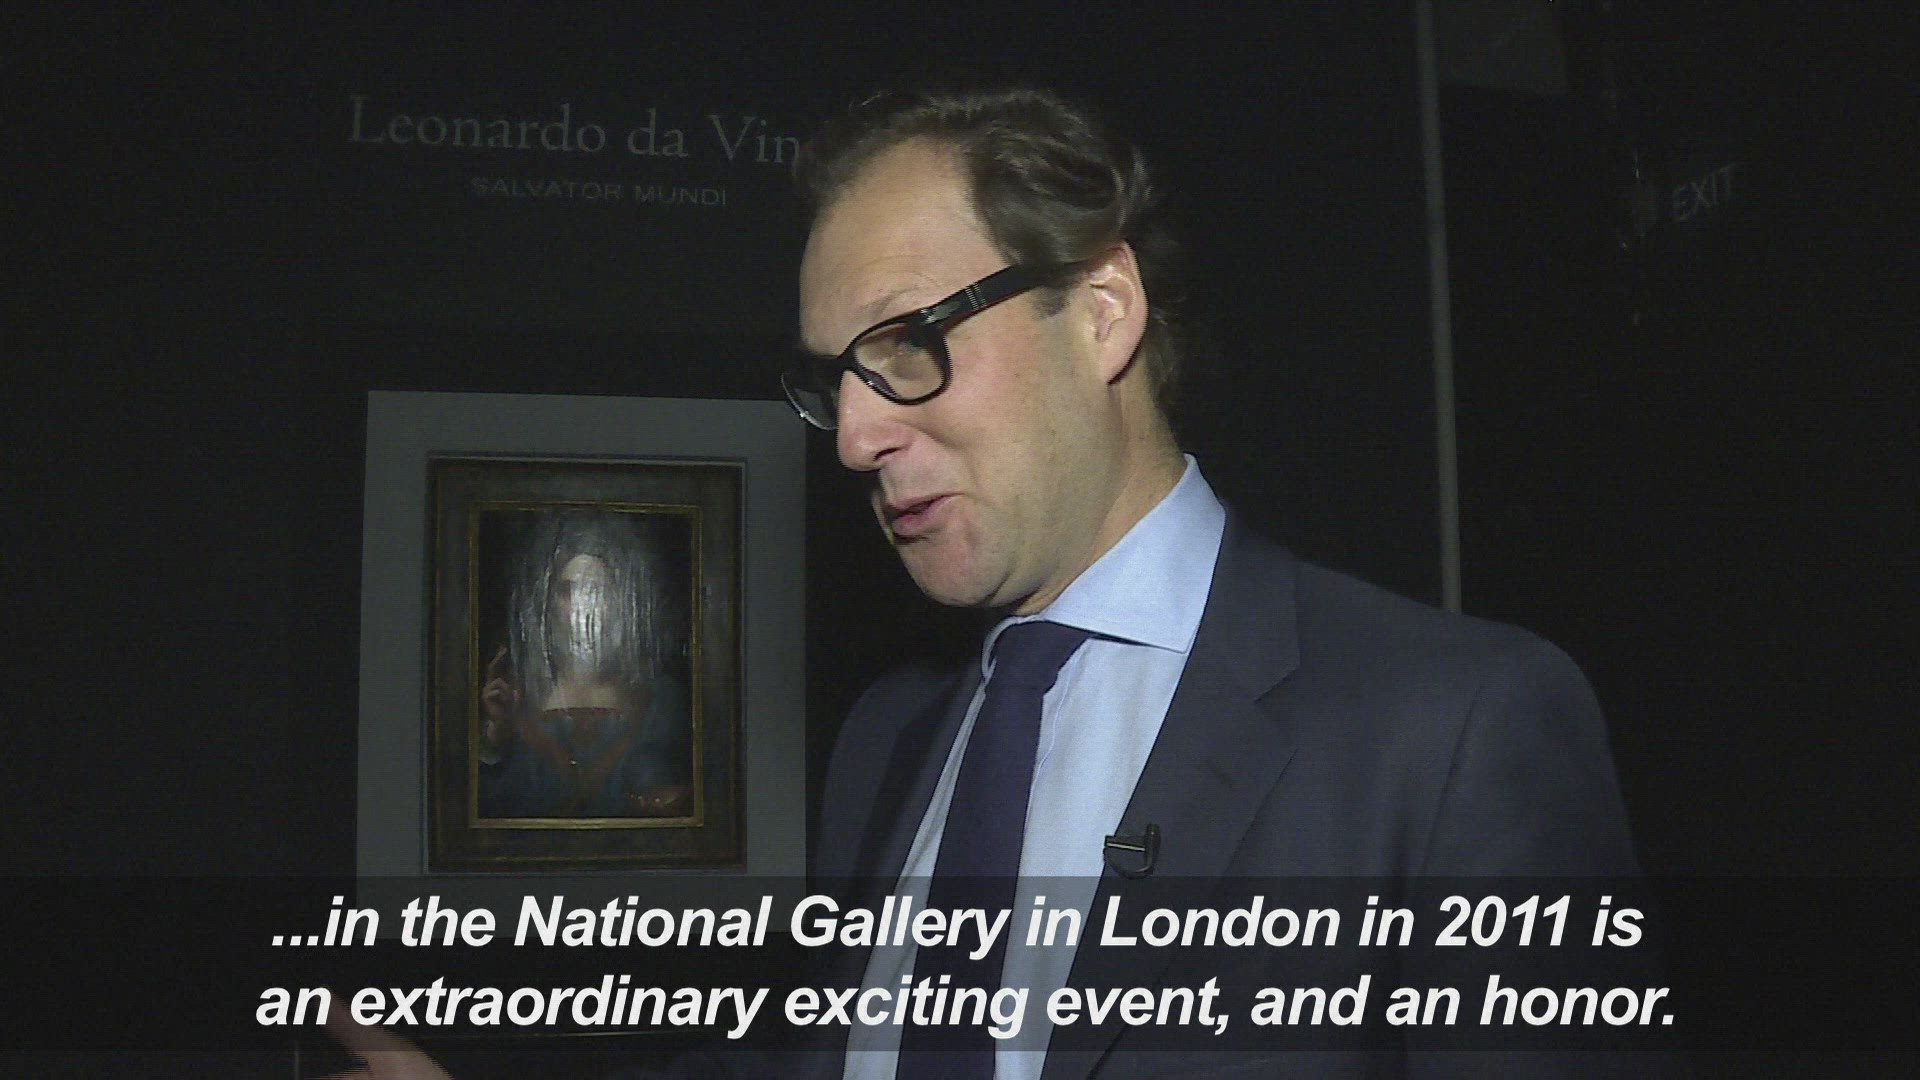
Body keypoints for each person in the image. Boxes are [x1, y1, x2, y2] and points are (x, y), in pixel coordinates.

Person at [329, 87, 1643, 1079]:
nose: (853, 435)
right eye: (833, 377)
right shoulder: (888, 737)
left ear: (1103, 313)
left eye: (906, 342)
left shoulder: (1452, 727)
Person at [476, 511, 693, 819]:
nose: (582, 605)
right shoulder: (516, 696)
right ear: (549, 605)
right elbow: (494, 804)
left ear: (617, 603)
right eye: (567, 591)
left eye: (596, 590)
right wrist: (497, 733)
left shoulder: (661, 699)